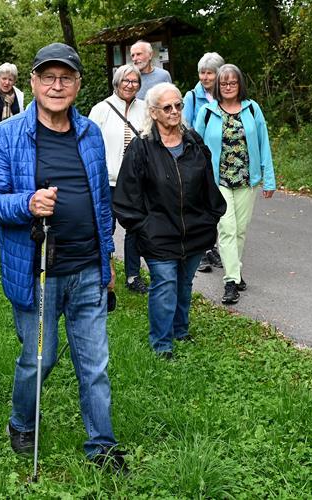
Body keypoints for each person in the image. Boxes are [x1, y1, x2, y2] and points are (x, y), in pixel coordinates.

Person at [0, 43, 126, 471]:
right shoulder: (6, 136)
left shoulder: (90, 133)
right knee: (39, 357)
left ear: (78, 84)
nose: (56, 86)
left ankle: (102, 445)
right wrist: (27, 203)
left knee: (95, 364)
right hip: (37, 270)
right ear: (33, 83)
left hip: (87, 268)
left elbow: (101, 204)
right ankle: (22, 421)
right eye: (48, 78)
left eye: (66, 78)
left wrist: (107, 258)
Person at [114, 83, 226, 358]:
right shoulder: (141, 148)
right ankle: (162, 344)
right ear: (153, 112)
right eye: (167, 107)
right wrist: (144, 228)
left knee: (184, 284)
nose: (174, 111)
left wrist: (211, 218)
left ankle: (180, 330)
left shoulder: (194, 142)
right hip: (158, 235)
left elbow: (208, 185)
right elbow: (127, 197)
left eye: (178, 105)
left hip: (195, 232)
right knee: (165, 285)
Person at [195, 64, 276, 305]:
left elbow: (263, 144)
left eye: (233, 83)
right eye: (224, 83)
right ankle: (230, 282)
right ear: (217, 86)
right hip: (217, 181)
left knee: (240, 230)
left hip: (246, 180)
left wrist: (268, 179)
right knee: (227, 228)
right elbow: (196, 148)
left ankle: (235, 271)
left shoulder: (252, 109)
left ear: (240, 85)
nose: (228, 87)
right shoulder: (207, 112)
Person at [87, 64, 149, 294]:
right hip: (108, 182)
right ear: (117, 82)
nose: (130, 85)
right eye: (126, 80)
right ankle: (103, 272)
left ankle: (133, 276)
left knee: (135, 229)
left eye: (134, 81)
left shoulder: (146, 108)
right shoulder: (101, 109)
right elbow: (90, 146)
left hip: (136, 182)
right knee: (105, 228)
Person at [183, 52, 226, 274]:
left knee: (215, 205)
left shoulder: (226, 95)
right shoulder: (192, 97)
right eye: (202, 72)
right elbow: (184, 126)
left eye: (210, 73)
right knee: (198, 207)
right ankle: (198, 252)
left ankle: (211, 247)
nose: (205, 77)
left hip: (221, 160)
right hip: (198, 158)